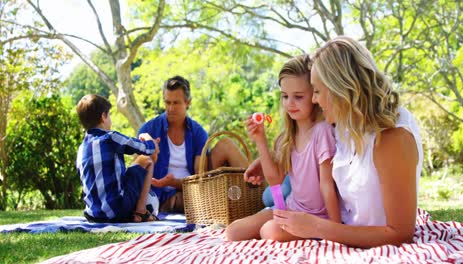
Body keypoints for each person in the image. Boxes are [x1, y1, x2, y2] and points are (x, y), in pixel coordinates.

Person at [272, 36, 424, 248]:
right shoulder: (346, 123)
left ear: (340, 90)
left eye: (316, 91)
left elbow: (399, 235)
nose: (314, 100)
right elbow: (302, 137)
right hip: (344, 227)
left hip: (372, 242)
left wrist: (315, 227)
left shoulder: (392, 137)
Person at [225, 54, 342, 242]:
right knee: (233, 232)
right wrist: (260, 141)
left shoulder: (322, 132)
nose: (290, 103)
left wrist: (335, 230)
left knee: (269, 231)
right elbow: (275, 181)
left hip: (317, 218)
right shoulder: (286, 138)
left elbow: (327, 185)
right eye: (285, 96)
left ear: (314, 95)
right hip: (291, 208)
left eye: (298, 97)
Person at [138, 75, 249, 213]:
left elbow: (200, 176)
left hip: (192, 188)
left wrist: (175, 182)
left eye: (176, 103)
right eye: (167, 102)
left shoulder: (197, 132)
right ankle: (226, 202)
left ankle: (258, 192)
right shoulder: (149, 129)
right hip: (162, 195)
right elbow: (137, 169)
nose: (170, 108)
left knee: (226, 143)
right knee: (206, 199)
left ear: (188, 102)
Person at [76, 94, 160, 223]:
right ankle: (140, 212)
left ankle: (136, 211)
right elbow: (147, 149)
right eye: (109, 115)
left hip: (93, 215)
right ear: (103, 116)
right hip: (118, 211)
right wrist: (148, 138)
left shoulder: (81, 148)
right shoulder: (111, 137)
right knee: (146, 160)